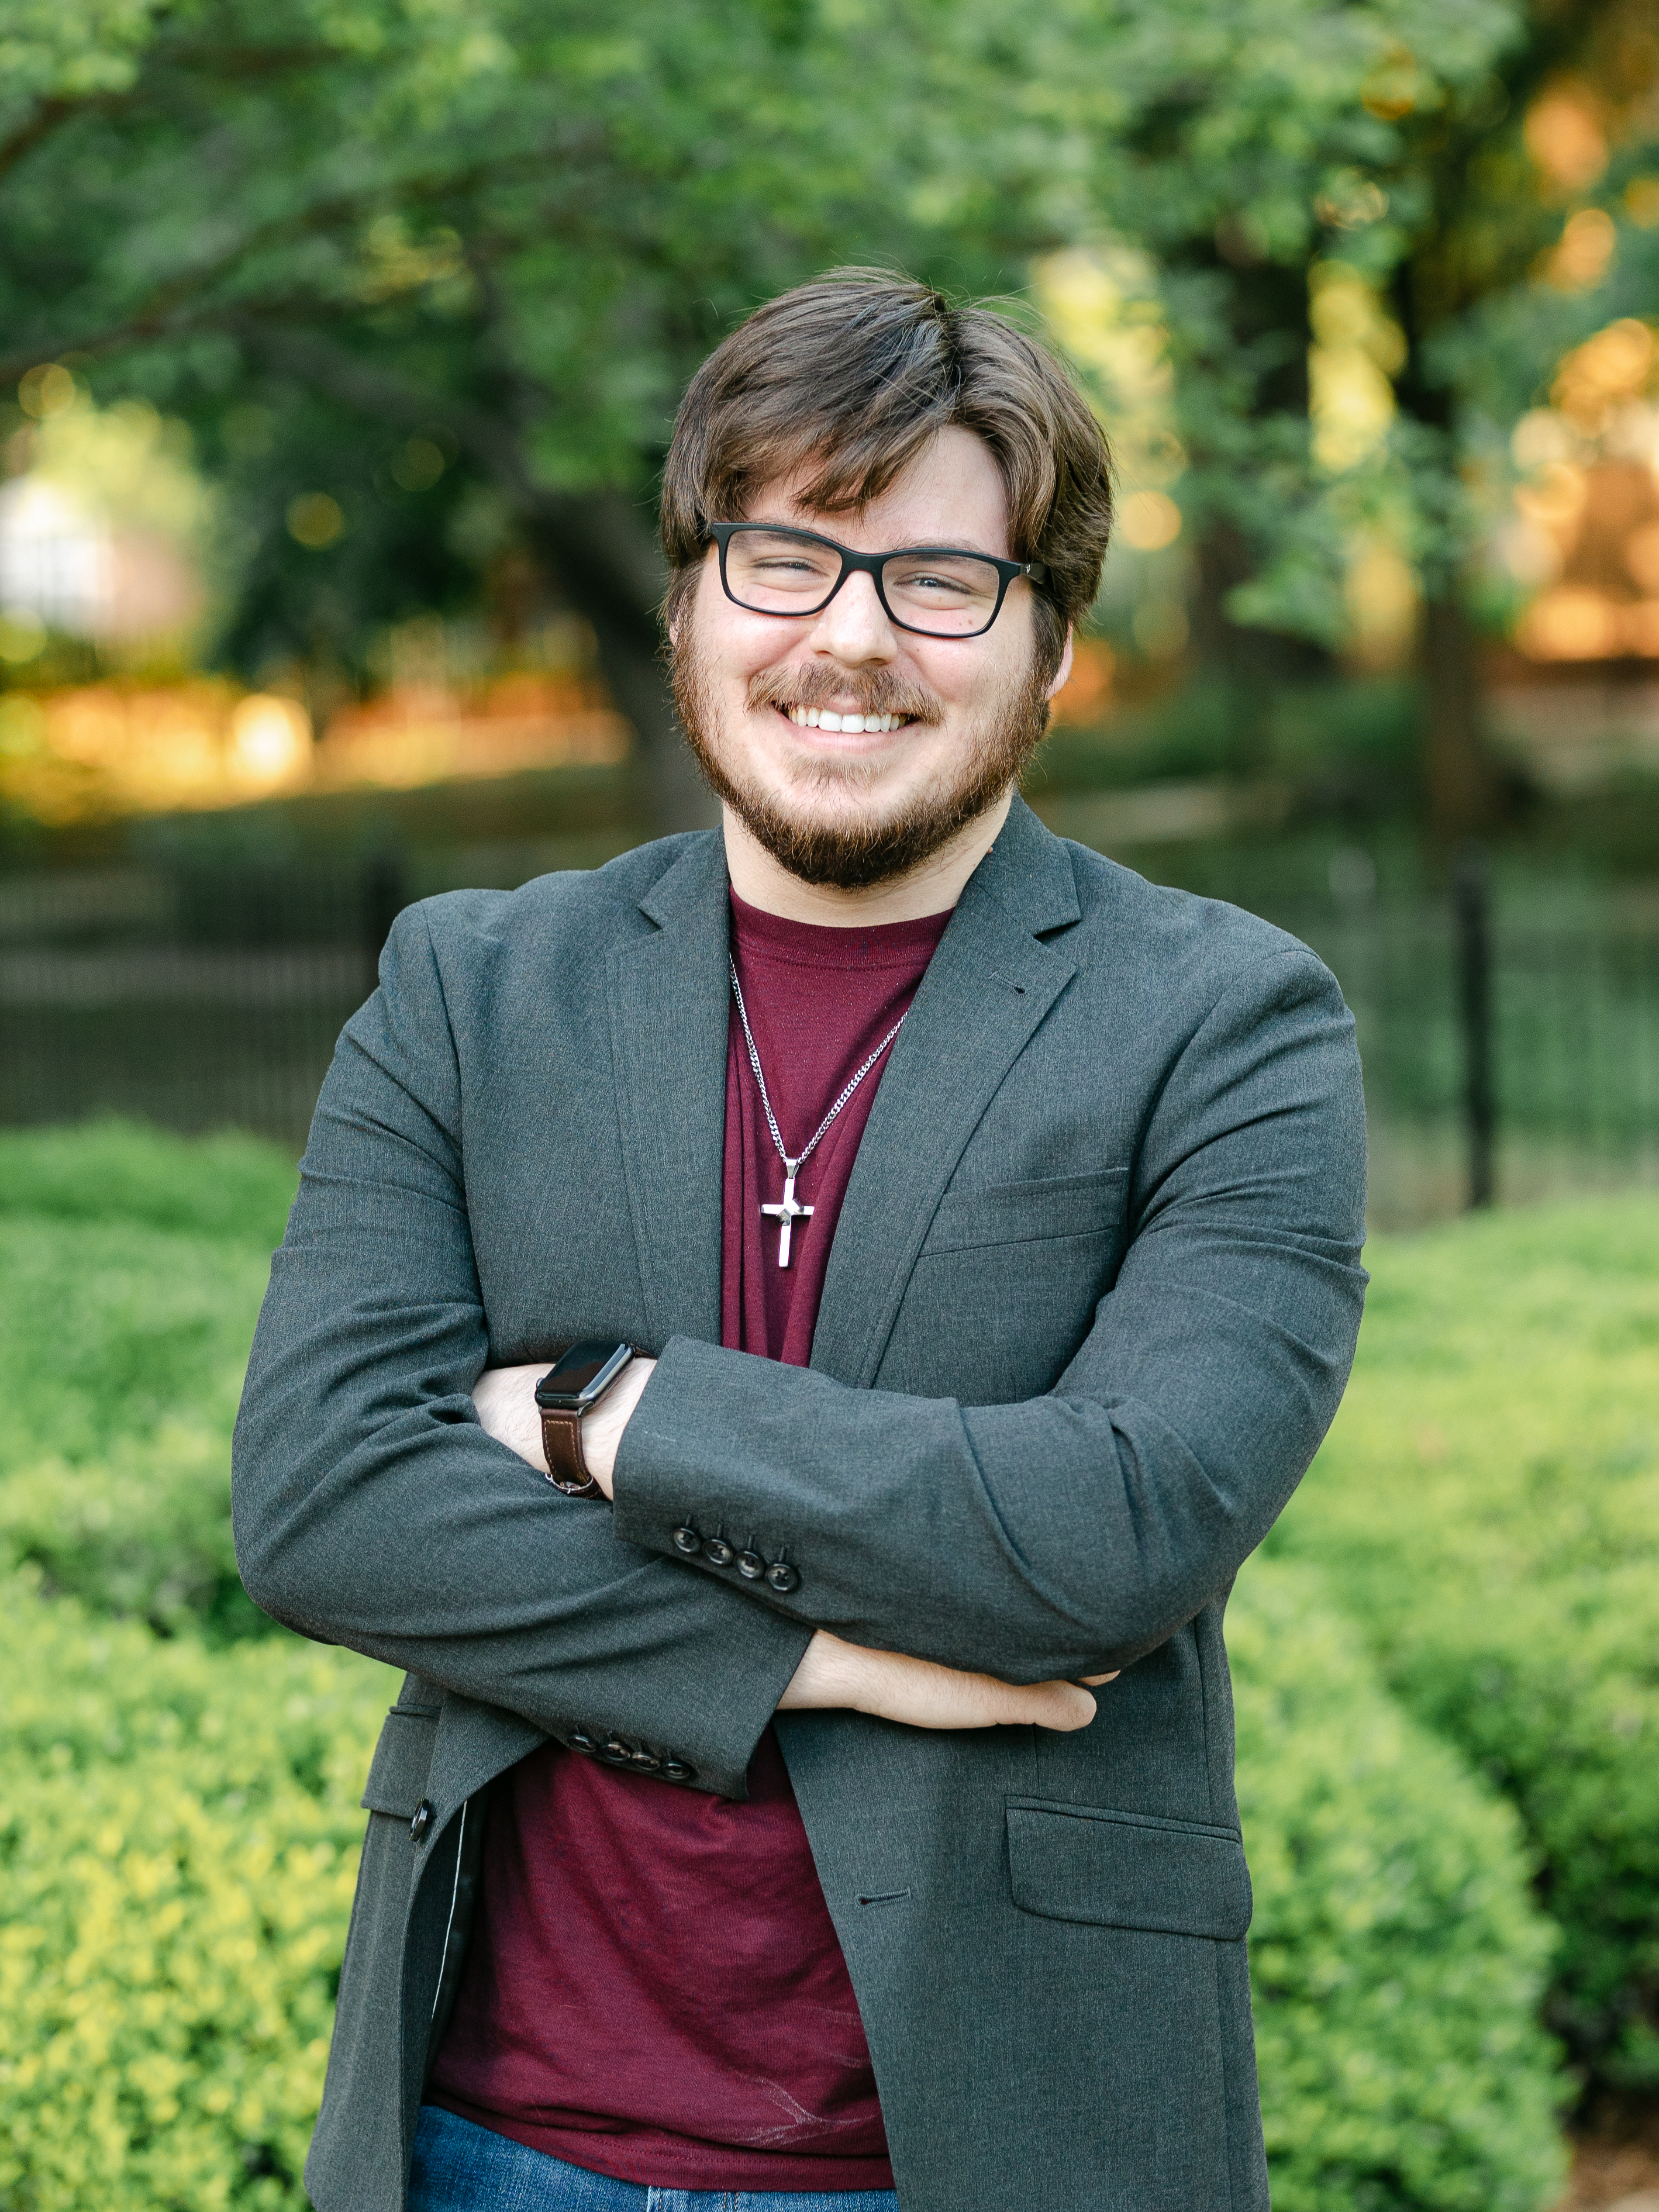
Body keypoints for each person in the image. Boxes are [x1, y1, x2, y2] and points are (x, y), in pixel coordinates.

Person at [233, 268, 1367, 2212]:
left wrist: (612, 1419)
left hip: (998, 2143)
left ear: (1054, 645)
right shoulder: (471, 991)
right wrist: (822, 1656)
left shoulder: (1231, 1021)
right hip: (486, 2140)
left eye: (941, 580)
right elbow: (326, 1499)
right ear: (687, 602)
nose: (851, 639)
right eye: (786, 559)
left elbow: (1117, 1530)